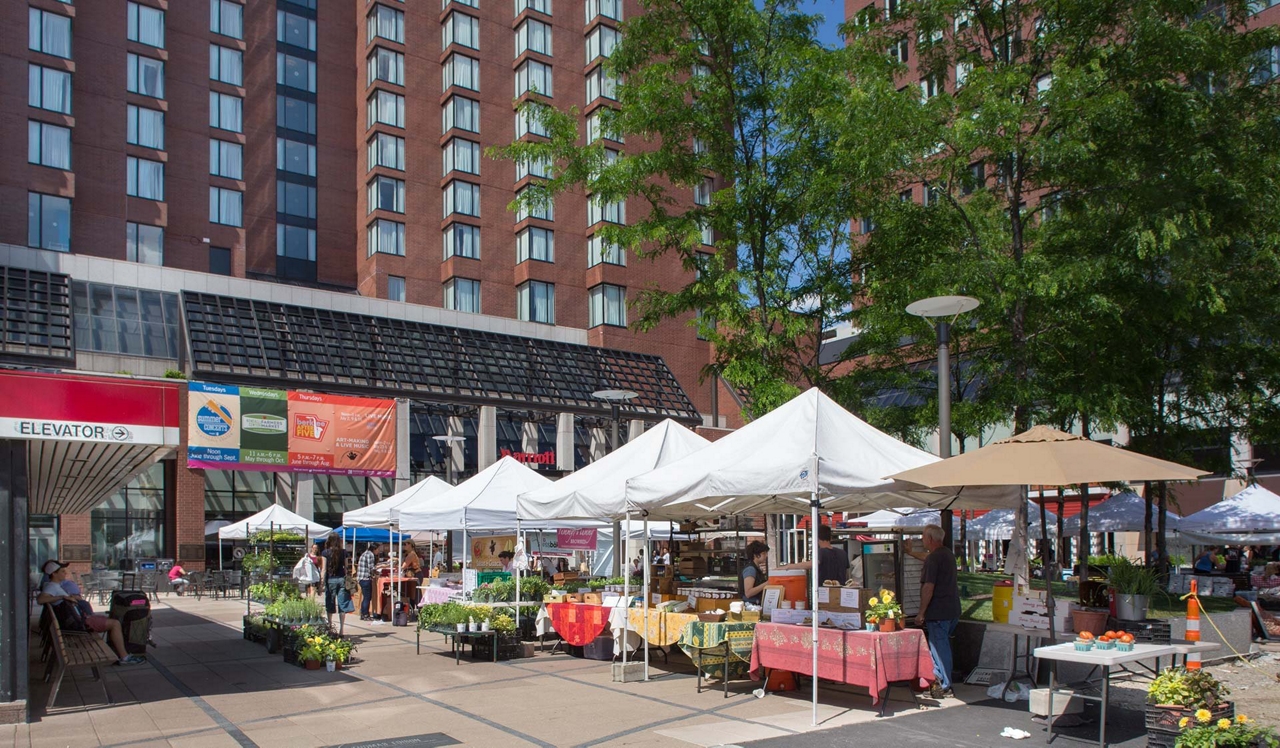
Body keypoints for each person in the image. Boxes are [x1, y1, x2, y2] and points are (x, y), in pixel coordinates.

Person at [37, 561, 146, 665]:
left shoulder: (53, 586)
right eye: (62, 571)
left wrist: (70, 597)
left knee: (108, 619)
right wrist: (63, 597)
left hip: (76, 620)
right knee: (115, 623)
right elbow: (40, 599)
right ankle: (124, 657)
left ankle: (118, 649)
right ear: (54, 574)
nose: (65, 573)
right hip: (79, 624)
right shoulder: (51, 586)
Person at [908, 525, 960, 698]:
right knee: (939, 646)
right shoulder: (946, 554)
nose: (922, 540)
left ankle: (945, 685)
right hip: (952, 609)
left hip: (938, 611)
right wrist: (910, 553)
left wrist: (921, 612)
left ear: (930, 539)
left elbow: (928, 587)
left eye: (923, 537)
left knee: (939, 647)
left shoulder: (934, 558)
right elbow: (928, 558)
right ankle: (938, 682)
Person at [778, 524, 848, 585]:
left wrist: (789, 566)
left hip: (824, 592)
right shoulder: (843, 553)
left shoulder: (821, 552)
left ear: (817, 538)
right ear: (830, 537)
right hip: (841, 590)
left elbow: (812, 564)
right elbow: (846, 573)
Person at [319, 534, 349, 636]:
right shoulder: (344, 552)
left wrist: (321, 584)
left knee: (330, 603)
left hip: (330, 580)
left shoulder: (325, 553)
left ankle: (330, 627)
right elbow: (347, 567)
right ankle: (341, 630)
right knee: (342, 604)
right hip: (341, 579)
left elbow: (324, 569)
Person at [356, 542, 377, 621]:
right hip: (365, 578)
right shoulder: (370, 555)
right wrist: (377, 571)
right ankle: (365, 614)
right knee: (367, 597)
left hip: (361, 578)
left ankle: (363, 613)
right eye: (378, 549)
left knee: (365, 597)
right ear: (374, 549)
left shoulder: (365, 553)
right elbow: (371, 567)